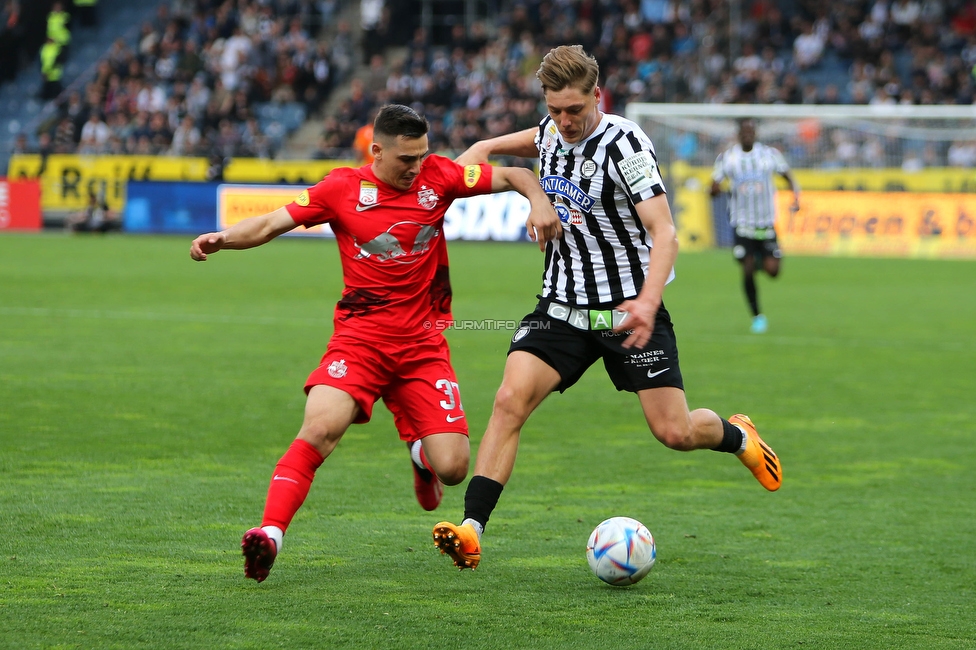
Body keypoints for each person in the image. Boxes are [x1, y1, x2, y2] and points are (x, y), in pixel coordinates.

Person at [431, 45, 783, 572]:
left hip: (627, 313)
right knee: (509, 401)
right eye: (555, 110)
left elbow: (666, 233)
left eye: (576, 109)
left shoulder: (626, 145)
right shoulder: (550, 132)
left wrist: (647, 302)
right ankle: (472, 529)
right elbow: (506, 147)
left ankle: (738, 436)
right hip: (562, 307)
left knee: (675, 432)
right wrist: (491, 157)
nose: (566, 122)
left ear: (597, 95)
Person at [189, 104, 561, 583]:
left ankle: (419, 458)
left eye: (422, 156)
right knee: (321, 428)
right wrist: (223, 238)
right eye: (407, 159)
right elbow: (268, 224)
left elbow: (514, 174)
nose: (416, 168)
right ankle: (270, 534)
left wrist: (539, 201)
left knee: (452, 467)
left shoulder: (439, 177)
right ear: (377, 151)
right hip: (360, 341)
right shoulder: (341, 189)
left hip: (424, 346)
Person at [710, 118, 800, 334]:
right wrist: (717, 190)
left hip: (766, 222)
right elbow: (713, 187)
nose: (748, 135)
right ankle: (757, 317)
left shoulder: (769, 155)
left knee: (773, 271)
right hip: (742, 224)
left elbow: (788, 175)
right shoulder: (728, 158)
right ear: (739, 134)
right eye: (745, 131)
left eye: (752, 131)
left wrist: (796, 197)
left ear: (756, 134)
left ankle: (760, 259)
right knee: (747, 270)